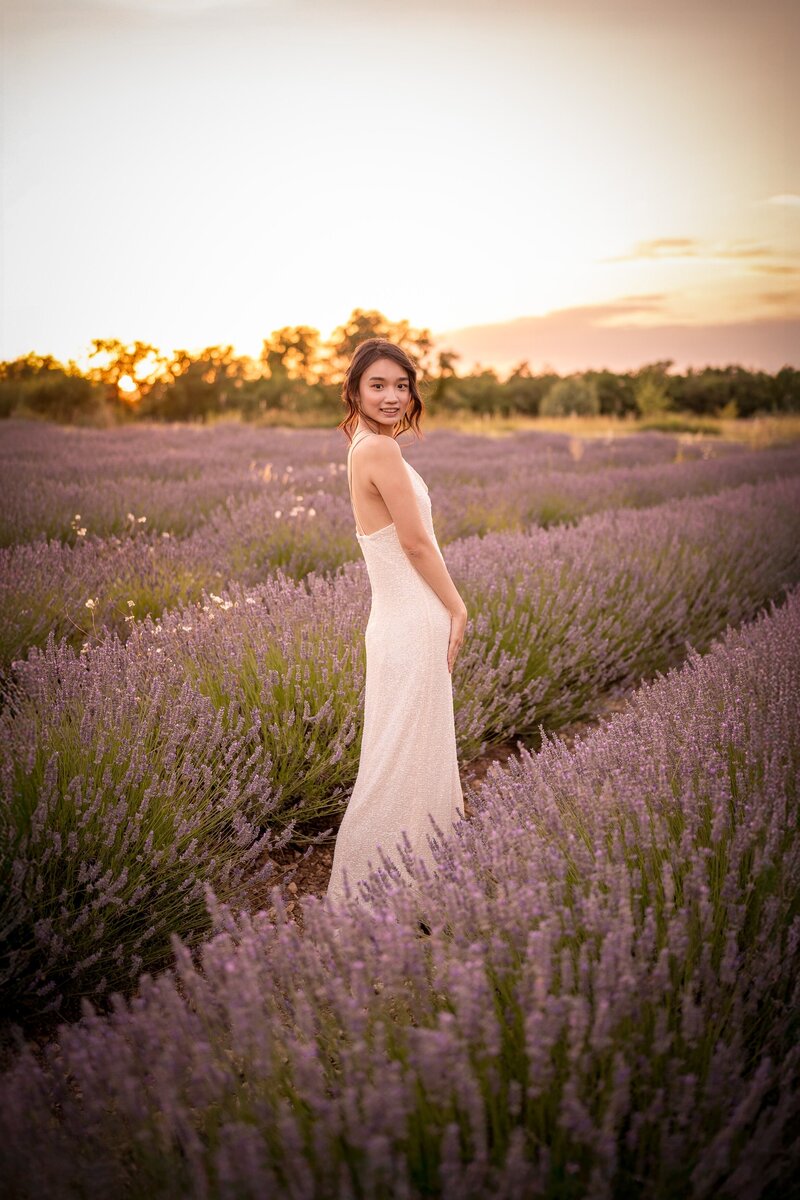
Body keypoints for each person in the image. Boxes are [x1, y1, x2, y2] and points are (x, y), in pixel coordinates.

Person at [325, 337, 468, 919]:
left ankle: (408, 894)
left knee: (402, 758)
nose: (391, 396)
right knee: (400, 765)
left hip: (393, 622)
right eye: (377, 385)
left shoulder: (364, 445)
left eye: (401, 385)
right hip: (412, 623)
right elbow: (414, 543)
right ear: (355, 390)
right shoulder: (380, 452)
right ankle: (370, 900)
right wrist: (458, 608)